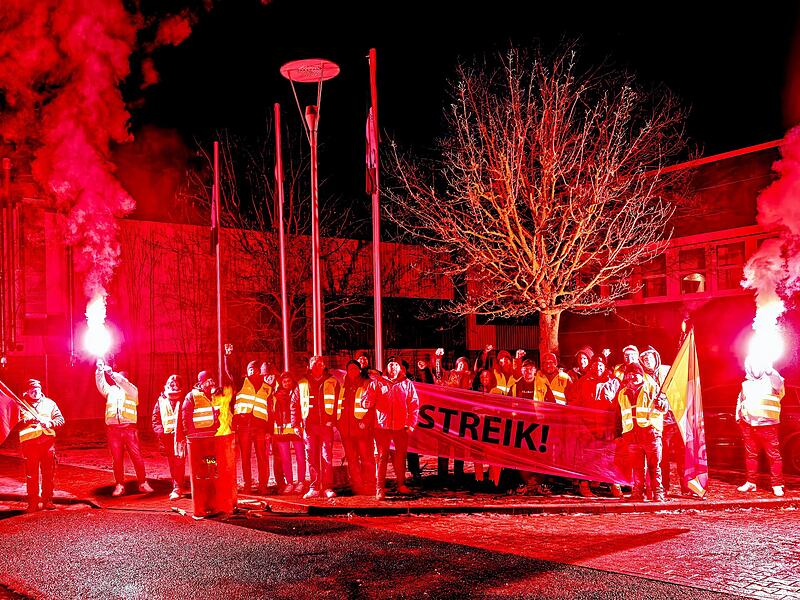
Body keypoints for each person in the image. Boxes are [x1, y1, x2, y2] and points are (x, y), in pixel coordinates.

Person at [365, 356, 420, 500]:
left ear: (400, 368)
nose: (394, 367)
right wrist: (369, 396)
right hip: (382, 426)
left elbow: (413, 405)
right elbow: (365, 402)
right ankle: (379, 488)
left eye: (396, 365)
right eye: (391, 365)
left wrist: (411, 424)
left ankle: (401, 484)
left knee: (400, 457)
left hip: (401, 427)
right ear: (386, 368)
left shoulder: (407, 384)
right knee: (382, 457)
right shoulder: (377, 383)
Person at [95, 359, 152, 496]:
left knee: (136, 456)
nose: (118, 380)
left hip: (129, 429)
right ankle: (120, 485)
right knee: (117, 459)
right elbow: (101, 384)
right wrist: (100, 370)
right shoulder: (111, 391)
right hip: (113, 430)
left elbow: (124, 383)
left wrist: (113, 374)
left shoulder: (132, 391)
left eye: (121, 377)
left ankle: (143, 483)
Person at [640, 345, 689, 497]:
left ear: (656, 358)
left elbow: (680, 388)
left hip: (677, 420)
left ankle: (686, 487)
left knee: (683, 456)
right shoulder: (643, 377)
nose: (648, 361)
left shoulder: (667, 371)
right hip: (661, 424)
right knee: (663, 458)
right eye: (644, 359)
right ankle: (665, 486)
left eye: (650, 357)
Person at [616, 363, 667, 502]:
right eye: (629, 374)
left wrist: (662, 404)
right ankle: (638, 493)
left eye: (635, 374)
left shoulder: (652, 387)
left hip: (650, 433)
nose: (632, 377)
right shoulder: (622, 393)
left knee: (654, 466)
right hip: (632, 436)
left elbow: (664, 407)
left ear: (641, 375)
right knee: (637, 468)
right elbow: (620, 414)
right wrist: (620, 433)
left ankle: (658, 493)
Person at [735, 357, 785, 497]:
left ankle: (777, 484)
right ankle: (751, 482)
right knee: (750, 455)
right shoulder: (746, 384)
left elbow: (779, 382)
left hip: (768, 425)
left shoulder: (772, 380)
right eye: (752, 365)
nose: (756, 368)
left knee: (773, 456)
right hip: (749, 425)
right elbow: (740, 400)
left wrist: (771, 371)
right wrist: (739, 418)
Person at [573, 355, 622, 498]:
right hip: (589, 426)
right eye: (595, 365)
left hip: (608, 426)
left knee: (610, 457)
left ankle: (614, 484)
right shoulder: (583, 382)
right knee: (588, 456)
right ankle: (584, 485)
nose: (598, 367)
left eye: (600, 365)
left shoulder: (614, 382)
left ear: (605, 366)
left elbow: (620, 403)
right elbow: (576, 401)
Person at [18, 379, 64, 512]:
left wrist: (51, 423)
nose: (35, 392)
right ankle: (32, 503)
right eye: (32, 390)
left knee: (48, 474)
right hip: (29, 445)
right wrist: (27, 420)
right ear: (27, 391)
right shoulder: (21, 405)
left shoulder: (50, 404)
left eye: (37, 389)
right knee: (31, 475)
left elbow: (60, 419)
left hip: (47, 444)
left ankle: (47, 500)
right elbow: (15, 423)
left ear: (40, 389)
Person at [298, 356, 341, 499]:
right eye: (314, 364)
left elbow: (339, 403)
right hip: (309, 426)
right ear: (310, 366)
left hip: (325, 426)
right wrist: (296, 423)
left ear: (324, 366)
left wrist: (333, 421)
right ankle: (314, 487)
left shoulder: (333, 381)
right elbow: (295, 403)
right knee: (311, 456)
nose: (317, 366)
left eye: (320, 364)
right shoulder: (302, 382)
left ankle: (327, 487)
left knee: (326, 456)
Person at [232, 359, 273, 494]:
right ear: (247, 371)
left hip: (260, 427)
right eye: (250, 369)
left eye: (255, 369)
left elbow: (270, 410)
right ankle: (247, 486)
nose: (252, 371)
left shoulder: (267, 387)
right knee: (245, 457)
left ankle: (263, 486)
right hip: (244, 426)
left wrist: (269, 430)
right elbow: (230, 372)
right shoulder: (241, 382)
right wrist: (228, 356)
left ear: (259, 371)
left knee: (262, 457)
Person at [338, 359, 375, 495]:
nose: (352, 371)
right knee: (352, 460)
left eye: (355, 368)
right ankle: (357, 486)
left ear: (360, 370)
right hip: (347, 431)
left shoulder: (366, 384)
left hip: (362, 429)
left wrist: (365, 422)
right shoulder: (343, 386)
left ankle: (370, 485)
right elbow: (338, 407)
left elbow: (372, 406)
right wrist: (340, 425)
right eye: (350, 369)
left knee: (366, 458)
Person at [151, 374, 187, 500]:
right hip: (167, 438)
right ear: (167, 385)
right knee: (172, 464)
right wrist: (160, 432)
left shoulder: (184, 399)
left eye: (176, 383)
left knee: (179, 463)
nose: (173, 384)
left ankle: (178, 488)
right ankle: (176, 486)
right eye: (171, 382)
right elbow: (155, 419)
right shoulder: (161, 400)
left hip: (180, 438)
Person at [272, 371, 307, 495]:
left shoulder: (298, 393)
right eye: (284, 381)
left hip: (296, 428)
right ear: (281, 383)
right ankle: (290, 483)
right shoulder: (275, 395)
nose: (287, 383)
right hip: (281, 430)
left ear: (293, 381)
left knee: (300, 456)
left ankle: (301, 482)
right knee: (285, 458)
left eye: (289, 381)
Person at [182, 370, 232, 438]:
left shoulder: (216, 395)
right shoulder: (192, 396)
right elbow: (186, 418)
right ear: (201, 383)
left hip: (216, 432)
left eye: (212, 381)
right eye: (208, 381)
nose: (211, 384)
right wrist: (191, 434)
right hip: (199, 433)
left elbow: (224, 412)